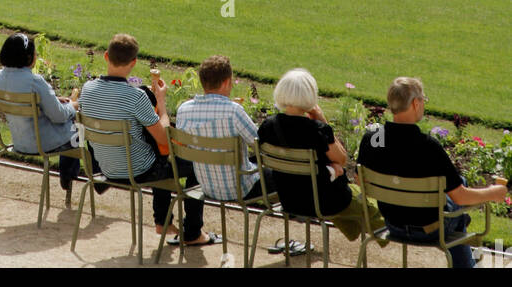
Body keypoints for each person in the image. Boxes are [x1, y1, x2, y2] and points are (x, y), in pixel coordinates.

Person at [79, 34, 218, 247]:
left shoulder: (87, 90)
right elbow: (164, 136)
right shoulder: (135, 97)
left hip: (105, 168)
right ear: (134, 62)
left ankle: (163, 222)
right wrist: (161, 101)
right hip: (137, 170)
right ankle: (192, 233)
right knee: (196, 164)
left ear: (106, 56)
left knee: (153, 153)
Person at [357, 77, 508, 269]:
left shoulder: (372, 138)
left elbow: (358, 178)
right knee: (459, 205)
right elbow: (461, 197)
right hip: (429, 230)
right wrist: (493, 193)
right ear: (415, 103)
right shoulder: (428, 146)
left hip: (391, 224)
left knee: (455, 199)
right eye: (423, 100)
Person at [258, 69, 385, 245]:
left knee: (352, 200)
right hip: (325, 201)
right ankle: (391, 244)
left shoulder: (267, 126)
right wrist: (322, 120)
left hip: (288, 199)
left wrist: (331, 169)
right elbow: (342, 159)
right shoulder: (316, 130)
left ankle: (354, 230)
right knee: (371, 205)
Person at [175, 55, 271, 205]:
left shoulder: (184, 110)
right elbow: (260, 145)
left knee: (205, 156)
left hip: (205, 185)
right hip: (240, 188)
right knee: (282, 176)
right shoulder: (233, 111)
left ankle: (192, 228)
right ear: (227, 82)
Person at [0, 32, 80, 189]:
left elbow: (19, 102)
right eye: (34, 52)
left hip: (18, 142)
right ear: (28, 57)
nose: (36, 55)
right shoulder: (34, 81)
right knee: (78, 127)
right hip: (43, 143)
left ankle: (70, 174)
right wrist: (72, 106)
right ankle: (71, 175)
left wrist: (53, 100)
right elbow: (58, 116)